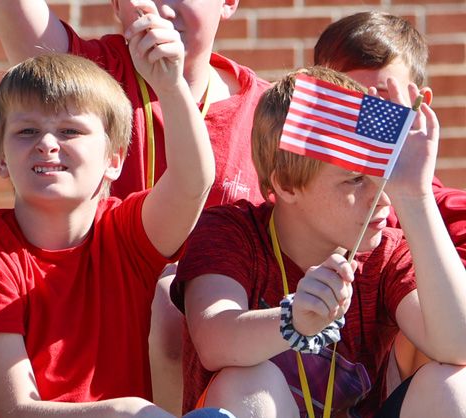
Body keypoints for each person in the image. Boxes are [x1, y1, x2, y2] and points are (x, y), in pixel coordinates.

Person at [0, 0, 270, 411]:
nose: (163, 8)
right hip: (94, 344)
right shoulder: (86, 76)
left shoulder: (268, 112)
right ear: (118, 5)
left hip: (223, 348)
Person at [0, 51, 231, 418]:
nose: (46, 143)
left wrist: (170, 87)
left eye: (70, 131)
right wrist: (127, 413)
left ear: (115, 160)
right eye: (26, 130)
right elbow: (14, 411)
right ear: (1, 157)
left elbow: (193, 183)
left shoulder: (126, 233)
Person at [171, 66, 466, 417]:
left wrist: (416, 196)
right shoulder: (232, 231)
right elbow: (215, 340)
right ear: (287, 185)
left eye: (383, 173)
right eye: (356, 179)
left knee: (452, 382)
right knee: (247, 381)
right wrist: (292, 320)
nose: (382, 198)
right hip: (250, 404)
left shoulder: (385, 250)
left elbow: (458, 345)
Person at [314, 10, 466, 387]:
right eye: (346, 101)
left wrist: (411, 198)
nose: (364, 121)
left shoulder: (451, 214)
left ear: (420, 107)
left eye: (381, 103)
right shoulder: (296, 198)